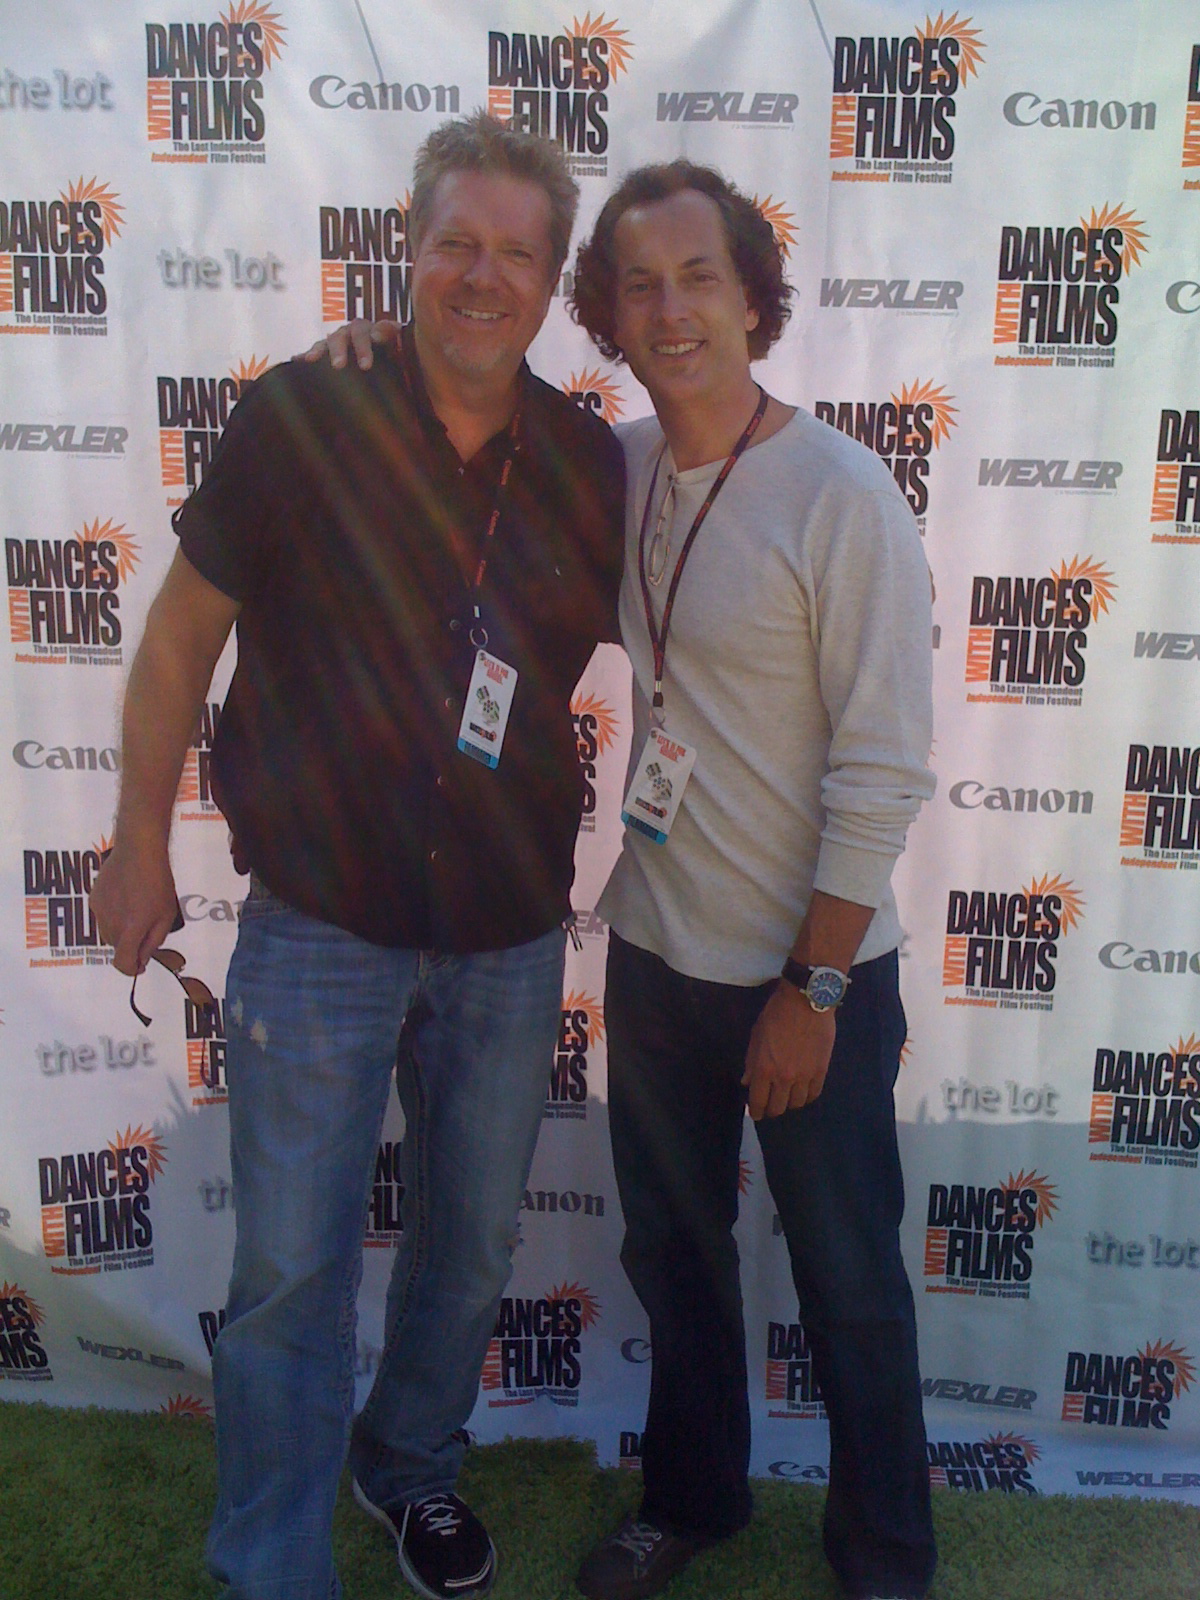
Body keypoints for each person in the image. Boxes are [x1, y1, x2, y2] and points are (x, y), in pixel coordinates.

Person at [90, 112, 624, 1600]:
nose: (482, 274)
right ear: (407, 245)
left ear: (552, 278)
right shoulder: (299, 417)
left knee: (469, 1252)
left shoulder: (589, 462)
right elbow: (179, 641)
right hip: (318, 927)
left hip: (513, 938)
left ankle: (410, 1473)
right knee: (290, 1276)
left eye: (518, 253)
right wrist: (136, 845)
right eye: (457, 241)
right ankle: (269, 1556)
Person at [566, 163, 938, 1600]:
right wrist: (360, 355)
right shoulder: (622, 465)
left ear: (753, 297)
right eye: (641, 283)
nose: (671, 310)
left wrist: (815, 986)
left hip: (810, 975)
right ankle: (695, 1499)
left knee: (849, 1285)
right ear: (609, 307)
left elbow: (883, 771)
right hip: (658, 953)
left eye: (699, 277)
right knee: (674, 1252)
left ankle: (887, 1560)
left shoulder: (840, 493)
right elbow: (458, 451)